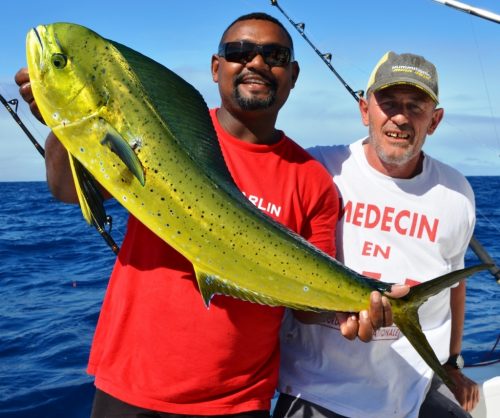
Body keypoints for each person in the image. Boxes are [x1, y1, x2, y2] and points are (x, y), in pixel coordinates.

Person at [15, 12, 396, 418]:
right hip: (130, 385)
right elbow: (66, 191)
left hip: (237, 401)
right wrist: (60, 123)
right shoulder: (155, 131)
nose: (256, 63)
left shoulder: (312, 180)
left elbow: (305, 306)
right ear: (216, 68)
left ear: (293, 74)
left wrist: (358, 304)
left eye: (274, 55)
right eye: (239, 52)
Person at [275, 51, 480, 418]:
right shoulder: (317, 168)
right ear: (364, 110)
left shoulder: (457, 191)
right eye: (388, 103)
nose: (400, 117)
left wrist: (451, 364)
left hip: (415, 387)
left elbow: (454, 282)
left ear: (435, 121)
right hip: (318, 388)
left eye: (415, 106)